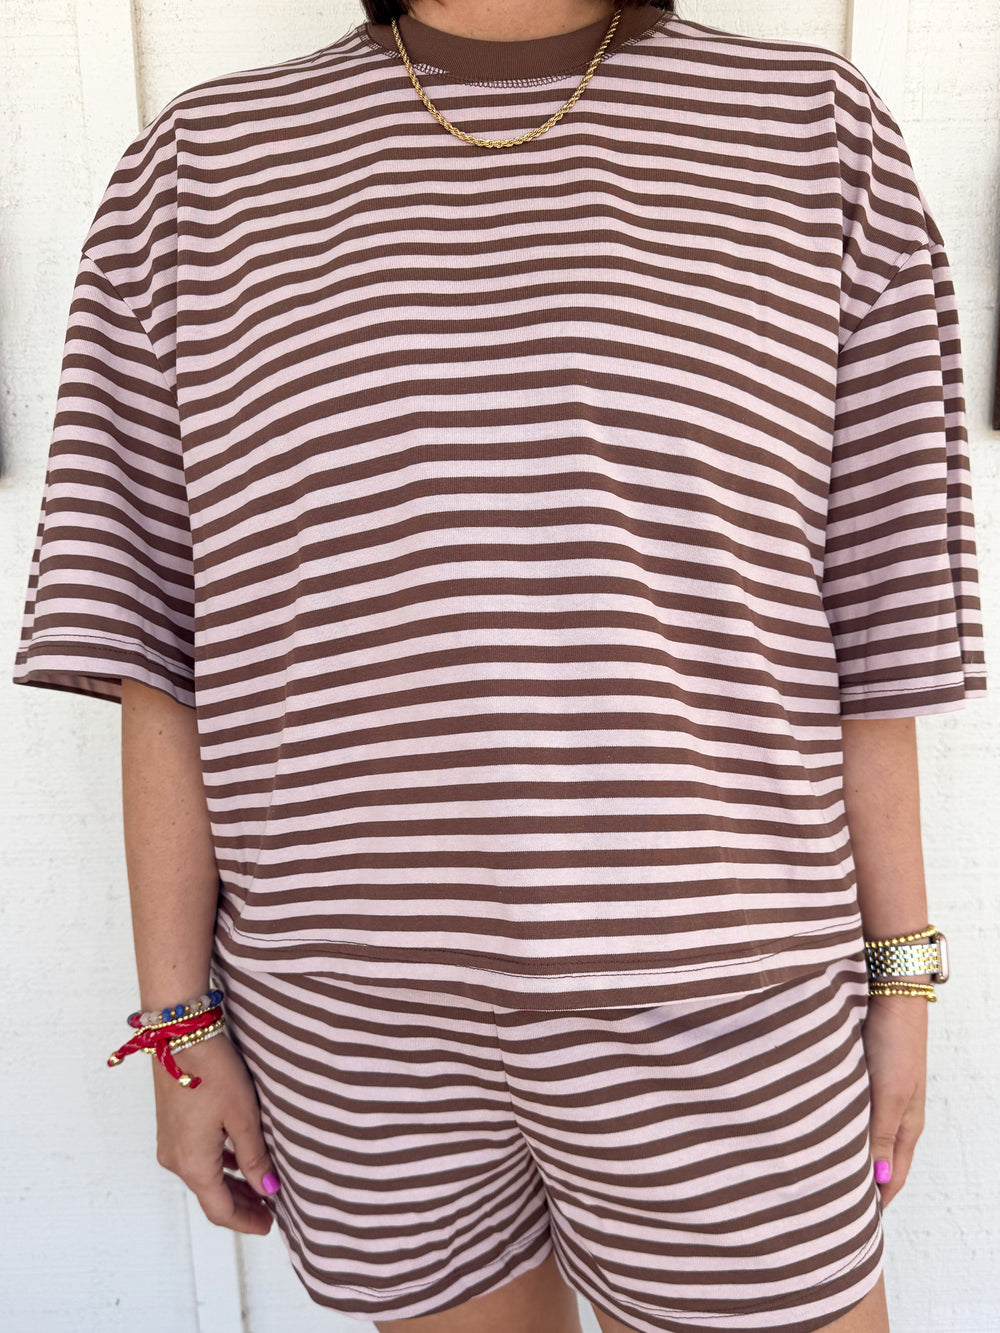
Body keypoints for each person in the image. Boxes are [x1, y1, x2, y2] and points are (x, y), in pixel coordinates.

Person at [12, 0, 987, 1329]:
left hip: (724, 1007)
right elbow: (155, 645)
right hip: (356, 1027)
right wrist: (179, 1028)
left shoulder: (813, 139)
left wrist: (902, 979)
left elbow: (878, 624)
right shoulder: (198, 177)